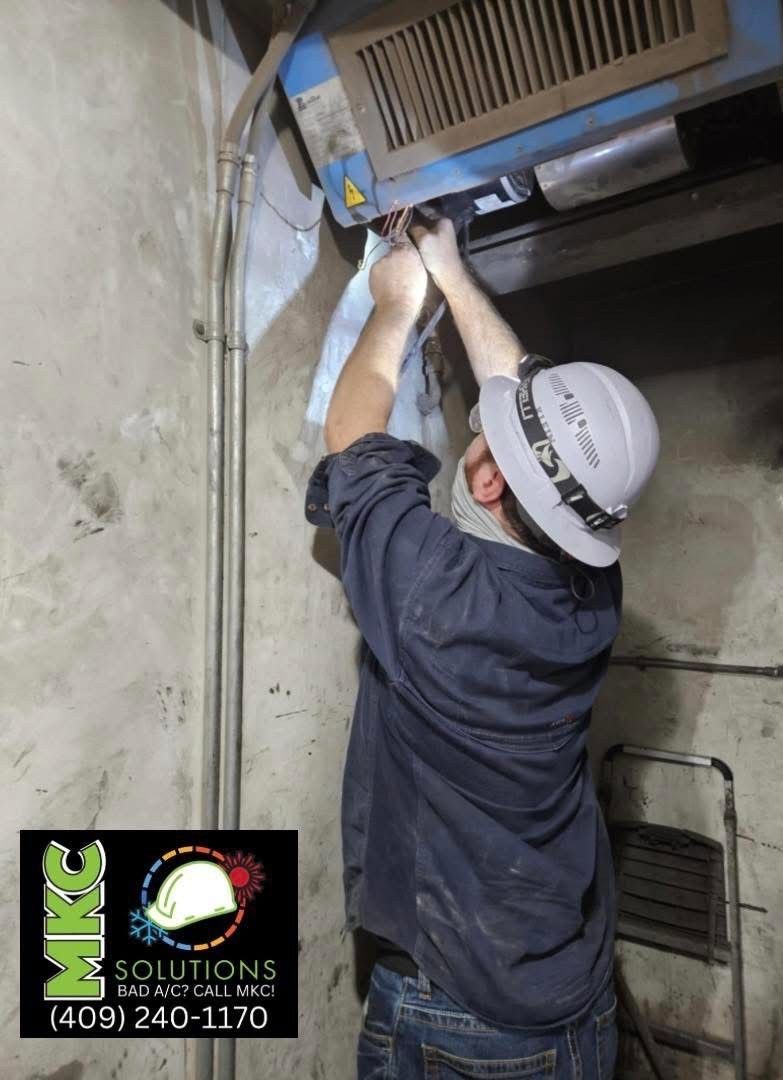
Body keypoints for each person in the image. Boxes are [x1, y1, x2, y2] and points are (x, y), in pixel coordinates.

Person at [305, 218, 659, 1079]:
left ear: (489, 476)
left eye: (480, 429)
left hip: (461, 1018)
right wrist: (451, 272)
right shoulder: (593, 591)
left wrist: (396, 304)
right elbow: (526, 400)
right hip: (573, 992)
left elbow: (353, 437)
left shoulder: (436, 593)